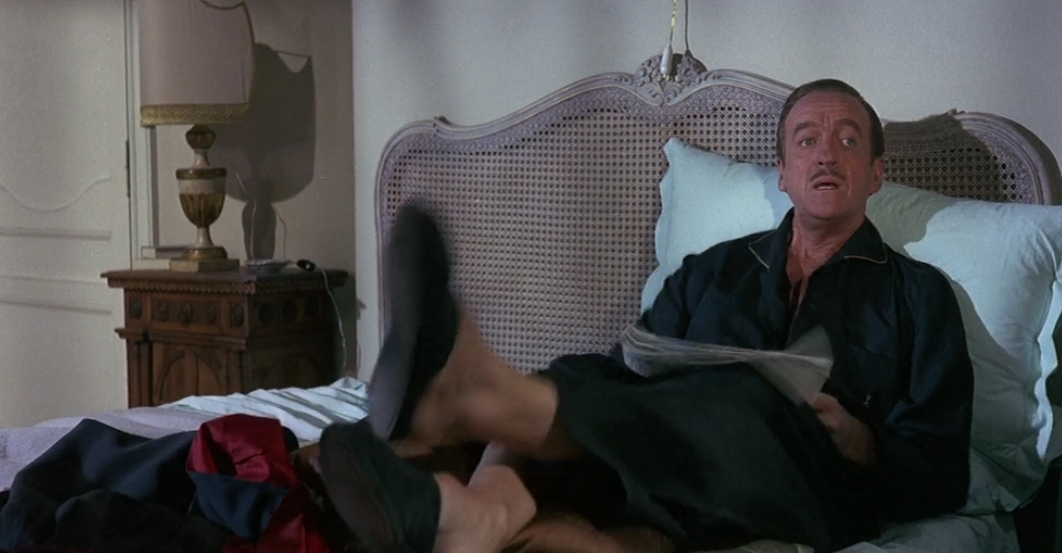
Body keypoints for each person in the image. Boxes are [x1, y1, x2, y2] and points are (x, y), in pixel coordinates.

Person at [316, 79, 975, 553]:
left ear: (875, 173)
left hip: (809, 486)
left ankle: (474, 405)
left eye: (847, 140)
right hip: (666, 469)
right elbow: (630, 371)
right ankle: (480, 512)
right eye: (807, 140)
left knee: (747, 399)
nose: (826, 154)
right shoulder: (711, 270)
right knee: (586, 372)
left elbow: (944, 476)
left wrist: (864, 441)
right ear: (782, 172)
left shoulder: (919, 296)